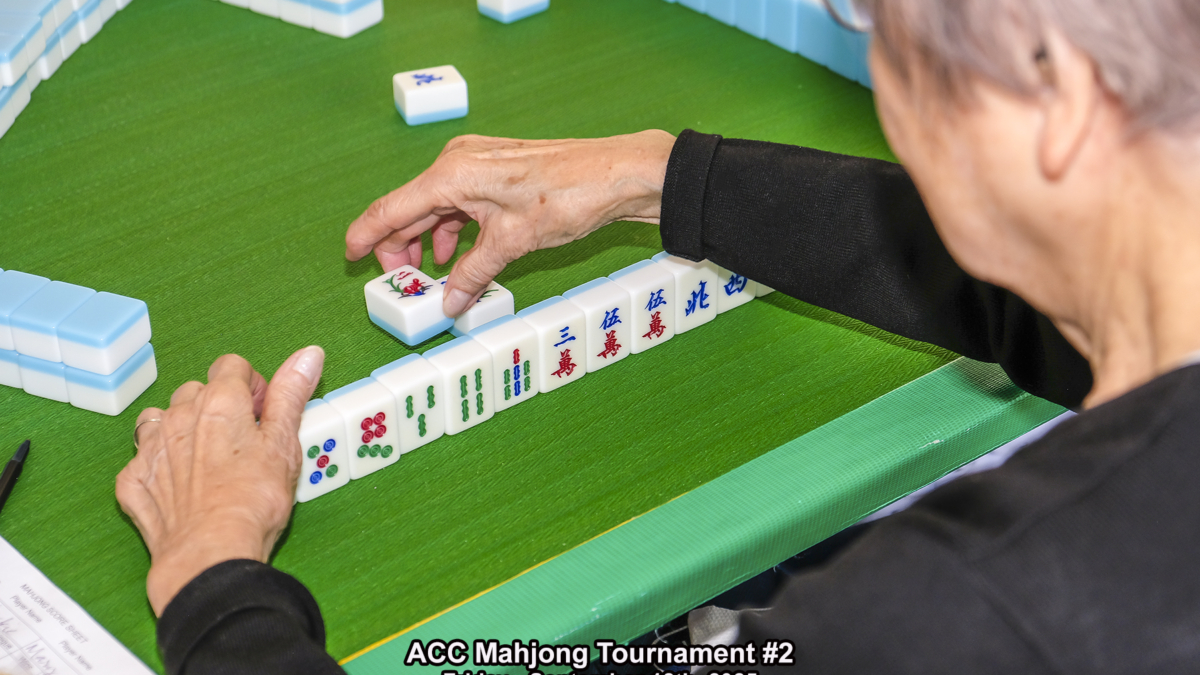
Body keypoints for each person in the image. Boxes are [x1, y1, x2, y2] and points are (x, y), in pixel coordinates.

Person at [117, 0, 1200, 672]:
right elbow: (1043, 288)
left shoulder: (966, 613)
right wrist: (662, 176)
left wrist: (215, 588)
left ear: (1057, 100)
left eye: (879, 23)